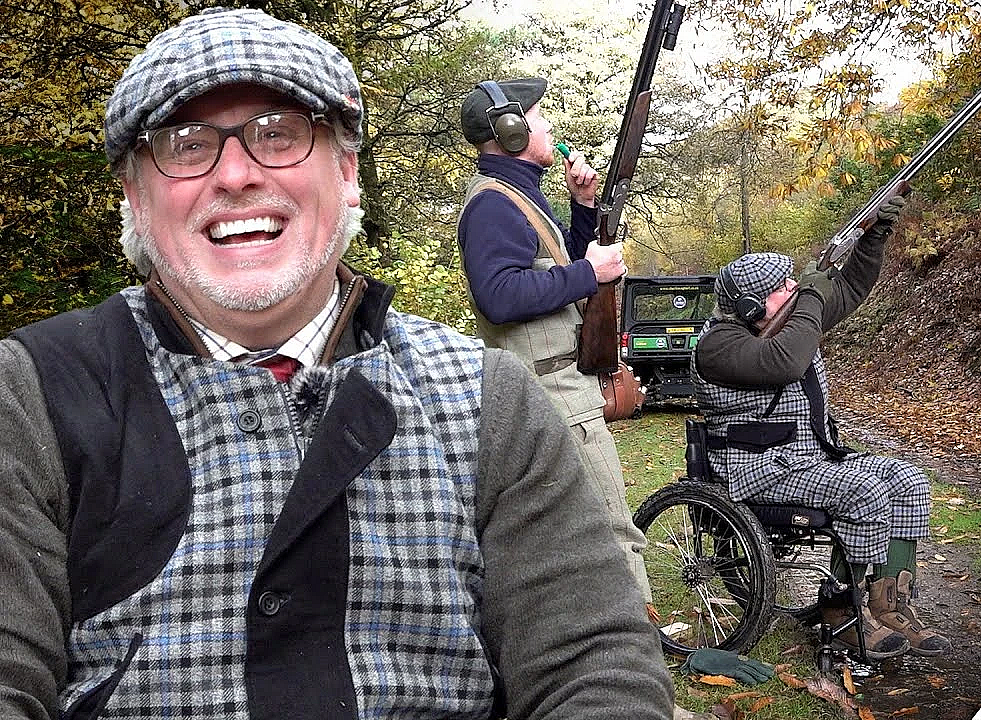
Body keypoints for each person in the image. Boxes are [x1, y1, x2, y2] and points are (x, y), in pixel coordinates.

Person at [0, 8, 673, 719]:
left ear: (347, 172)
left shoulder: (489, 402)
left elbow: (593, 665)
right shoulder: (31, 396)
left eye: (279, 134)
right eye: (187, 143)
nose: (235, 173)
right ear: (136, 196)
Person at [690, 198, 952, 661]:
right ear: (753, 305)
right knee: (865, 493)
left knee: (910, 482)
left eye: (794, 281)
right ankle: (842, 615)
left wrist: (874, 236)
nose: (794, 288)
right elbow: (785, 360)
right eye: (783, 286)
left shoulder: (787, 321)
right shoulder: (717, 346)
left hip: (810, 457)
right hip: (758, 469)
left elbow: (848, 290)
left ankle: (890, 605)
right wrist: (810, 293)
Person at [456, 78, 652, 605]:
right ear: (511, 131)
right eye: (538, 117)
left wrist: (583, 206)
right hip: (554, 396)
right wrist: (590, 272)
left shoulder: (520, 197)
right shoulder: (492, 206)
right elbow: (499, 295)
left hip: (556, 389)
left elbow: (557, 264)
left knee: (567, 535)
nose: (548, 127)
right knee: (612, 529)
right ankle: (637, 652)